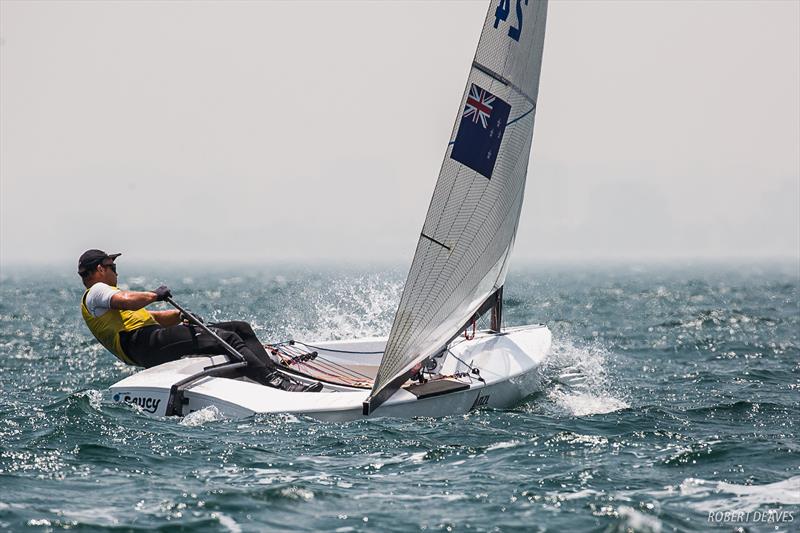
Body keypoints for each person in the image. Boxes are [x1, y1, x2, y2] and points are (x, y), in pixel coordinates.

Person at [77, 249, 321, 392]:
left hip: (149, 337)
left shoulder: (107, 298)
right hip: (140, 345)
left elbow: (153, 318)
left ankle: (269, 371)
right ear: (99, 269)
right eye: (112, 265)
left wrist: (181, 316)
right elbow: (128, 300)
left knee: (239, 328)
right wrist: (154, 295)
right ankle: (276, 383)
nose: (116, 270)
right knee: (227, 339)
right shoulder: (97, 291)